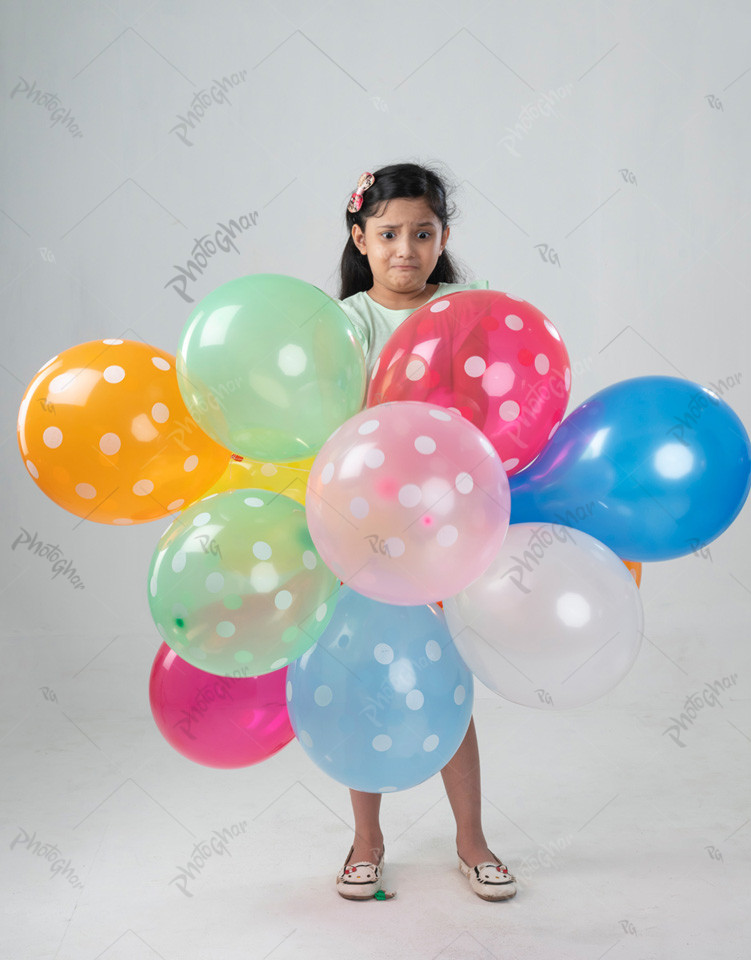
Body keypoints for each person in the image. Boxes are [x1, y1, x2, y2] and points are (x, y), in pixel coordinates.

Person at [333, 162, 517, 903]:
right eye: (386, 234)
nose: (404, 249)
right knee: (357, 681)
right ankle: (365, 839)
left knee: (445, 682)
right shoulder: (346, 322)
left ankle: (470, 839)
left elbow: (493, 402)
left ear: (443, 238)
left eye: (421, 233)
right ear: (360, 238)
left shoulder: (465, 309)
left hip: (445, 525)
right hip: (362, 525)